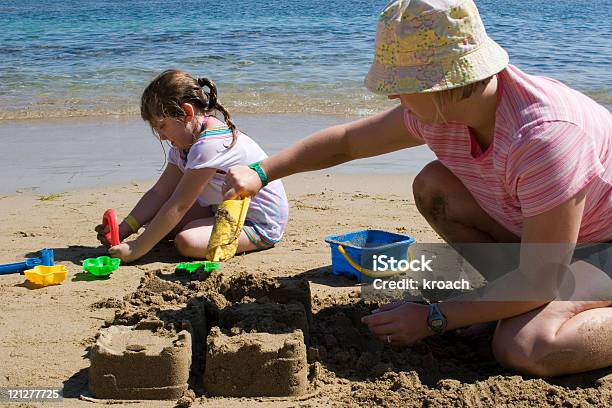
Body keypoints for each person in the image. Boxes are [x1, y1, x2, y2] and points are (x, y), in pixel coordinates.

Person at [222, 0, 611, 377]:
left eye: (400, 85)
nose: (392, 96)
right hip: (555, 242)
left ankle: (525, 309)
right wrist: (262, 171)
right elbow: (347, 142)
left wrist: (434, 317)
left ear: (441, 85)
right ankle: (506, 301)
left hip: (602, 249)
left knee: (526, 345)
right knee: (435, 185)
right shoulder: (443, 111)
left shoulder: (544, 138)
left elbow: (542, 277)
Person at [95, 69, 289, 263]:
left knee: (186, 241)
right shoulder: (185, 142)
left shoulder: (209, 144)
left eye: (162, 126)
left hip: (258, 223)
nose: (161, 136)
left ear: (187, 112)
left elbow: (180, 204)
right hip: (220, 209)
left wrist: (137, 248)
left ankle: (246, 236)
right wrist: (124, 229)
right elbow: (160, 192)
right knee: (153, 219)